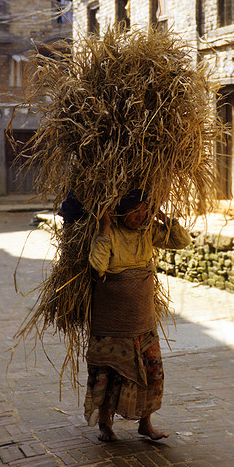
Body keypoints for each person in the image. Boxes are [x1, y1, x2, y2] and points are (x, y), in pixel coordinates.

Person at [84, 189, 191, 441]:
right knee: (109, 373)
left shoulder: (148, 231)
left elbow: (182, 241)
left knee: (150, 371)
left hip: (142, 318)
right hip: (112, 320)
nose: (140, 215)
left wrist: (166, 219)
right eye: (135, 210)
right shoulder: (109, 234)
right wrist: (104, 228)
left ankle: (146, 423)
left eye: (145, 210)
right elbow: (97, 266)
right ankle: (104, 424)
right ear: (120, 210)